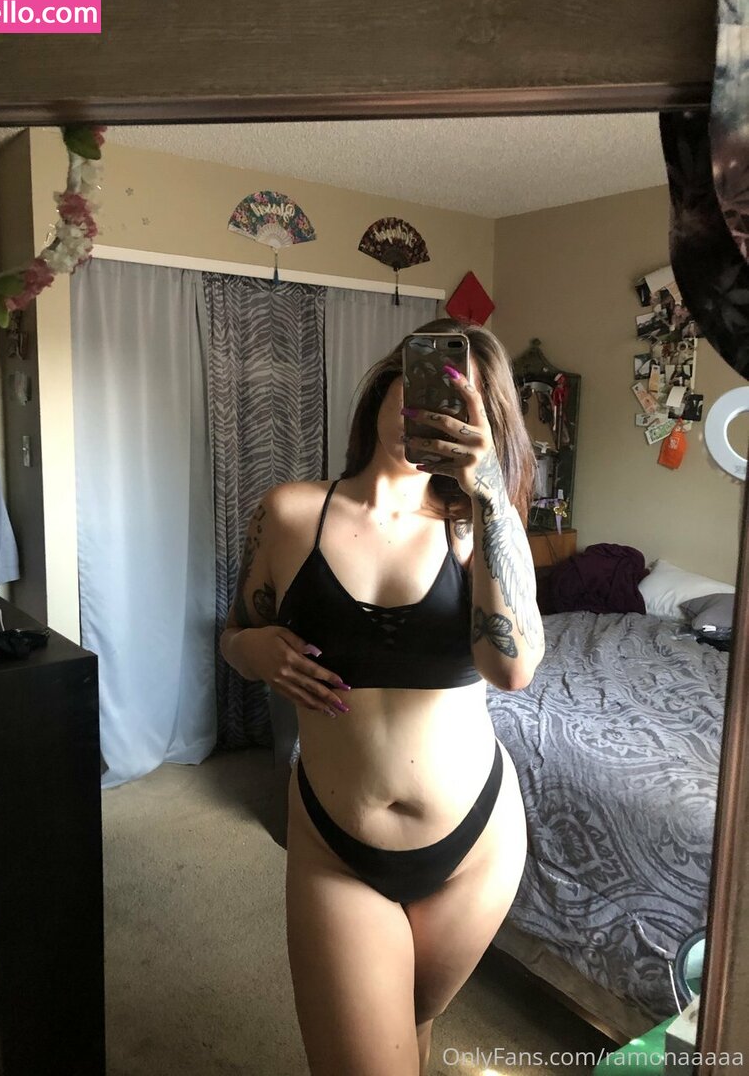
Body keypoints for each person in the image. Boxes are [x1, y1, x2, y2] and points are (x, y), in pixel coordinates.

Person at [219, 316, 545, 1076]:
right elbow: (235, 635)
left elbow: (512, 670)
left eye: (458, 400)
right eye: (423, 381)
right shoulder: (288, 513)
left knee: (411, 1028)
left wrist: (491, 495)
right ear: (388, 382)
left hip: (477, 843)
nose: (429, 408)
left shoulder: (480, 527)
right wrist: (252, 651)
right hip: (337, 845)